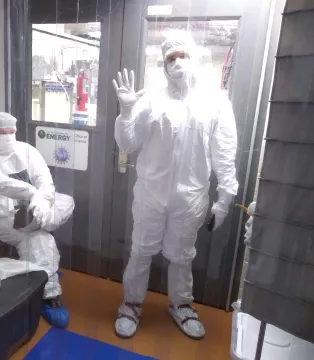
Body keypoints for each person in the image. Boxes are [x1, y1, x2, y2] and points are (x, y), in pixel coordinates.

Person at [112, 30, 238, 340]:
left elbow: (225, 151)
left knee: (182, 256)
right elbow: (127, 143)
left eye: (182, 55)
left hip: (191, 196)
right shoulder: (151, 100)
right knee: (140, 252)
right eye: (170, 57)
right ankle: (131, 303)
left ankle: (181, 306)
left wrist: (226, 196)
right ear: (163, 64)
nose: (177, 62)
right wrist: (126, 110)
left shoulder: (215, 101)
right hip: (151, 194)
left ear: (194, 58)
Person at [0, 112, 74, 328]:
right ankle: (49, 296)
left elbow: (45, 180)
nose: (7, 136)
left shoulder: (26, 151)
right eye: (1, 132)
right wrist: (33, 194)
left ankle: (42, 220)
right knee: (41, 240)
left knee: (66, 200)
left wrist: (43, 200)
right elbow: (0, 183)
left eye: (11, 131)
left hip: (31, 208)